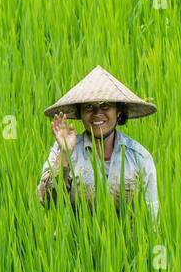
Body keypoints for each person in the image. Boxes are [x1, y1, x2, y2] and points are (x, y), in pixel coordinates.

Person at [36, 66, 158, 219]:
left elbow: (152, 217)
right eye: (88, 107)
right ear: (80, 113)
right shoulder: (64, 150)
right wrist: (65, 153)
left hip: (129, 243)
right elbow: (47, 201)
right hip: (76, 242)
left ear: (118, 111)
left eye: (105, 105)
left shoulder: (139, 157)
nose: (97, 113)